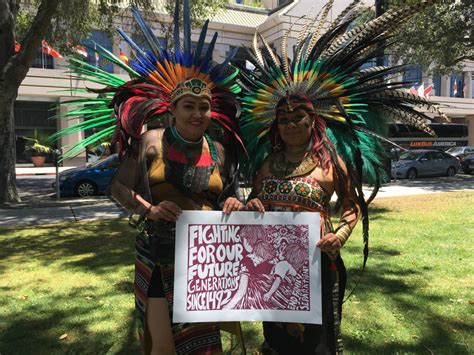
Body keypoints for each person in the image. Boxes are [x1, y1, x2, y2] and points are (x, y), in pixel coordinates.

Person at [236, 2, 444, 353]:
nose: (289, 124)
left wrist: (341, 235)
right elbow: (255, 203)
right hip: (272, 267)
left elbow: (352, 208)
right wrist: (251, 203)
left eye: (297, 117)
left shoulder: (331, 163)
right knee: (276, 342)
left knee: (318, 343)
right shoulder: (268, 164)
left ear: (312, 120)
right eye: (283, 119)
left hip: (317, 264)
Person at [52, 1, 245, 353]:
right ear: (172, 109)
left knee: (204, 344)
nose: (198, 114)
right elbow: (118, 187)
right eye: (189, 106)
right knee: (163, 345)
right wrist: (149, 210)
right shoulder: (150, 141)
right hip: (159, 255)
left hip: (208, 261)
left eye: (204, 108)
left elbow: (229, 195)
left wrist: (235, 201)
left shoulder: (219, 149)